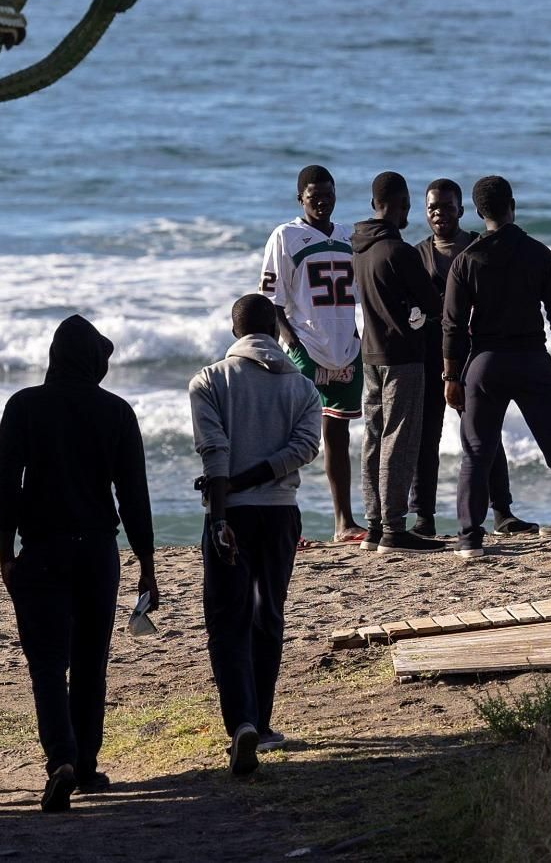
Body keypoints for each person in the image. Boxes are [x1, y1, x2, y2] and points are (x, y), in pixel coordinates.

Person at [0, 314, 159, 812]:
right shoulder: (117, 412)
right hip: (97, 552)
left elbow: (7, 487)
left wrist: (5, 553)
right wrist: (146, 563)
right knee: (91, 662)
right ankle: (85, 765)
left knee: (47, 664)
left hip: (41, 550)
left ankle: (61, 760)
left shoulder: (23, 406)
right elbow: (133, 496)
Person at [190, 294, 323, 776]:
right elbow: (304, 448)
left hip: (231, 515)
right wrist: (253, 479)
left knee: (228, 619)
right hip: (281, 515)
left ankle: (242, 723)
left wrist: (221, 510)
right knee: (268, 615)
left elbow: (214, 451)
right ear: (275, 331)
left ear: (235, 332)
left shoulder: (209, 381)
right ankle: (263, 725)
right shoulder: (304, 389)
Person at [442, 176, 551, 560]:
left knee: (477, 452)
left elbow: (452, 325)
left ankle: (470, 539)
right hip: (532, 361)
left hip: (484, 364)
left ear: (478, 212)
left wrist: (451, 376)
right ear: (512, 205)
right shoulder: (539, 254)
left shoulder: (466, 260)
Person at [409, 178, 532, 537]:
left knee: (484, 434)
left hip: (475, 357)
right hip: (432, 357)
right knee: (426, 437)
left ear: (461, 210)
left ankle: (502, 511)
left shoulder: (480, 247)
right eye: (432, 207)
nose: (439, 213)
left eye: (447, 207)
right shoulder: (418, 255)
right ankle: (423, 518)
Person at [260, 165, 364, 542]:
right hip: (306, 347)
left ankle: (344, 523)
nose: (322, 202)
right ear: (300, 199)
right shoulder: (285, 236)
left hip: (346, 348)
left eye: (328, 194)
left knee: (338, 435)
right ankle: (283, 526)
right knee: (291, 437)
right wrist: (292, 344)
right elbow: (271, 301)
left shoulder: (349, 236)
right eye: (314, 196)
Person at [350, 172, 447, 552]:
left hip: (371, 353)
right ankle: (394, 528)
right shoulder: (399, 251)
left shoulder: (360, 249)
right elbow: (434, 305)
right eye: (407, 205)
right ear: (399, 203)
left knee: (374, 438)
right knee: (399, 440)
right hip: (403, 356)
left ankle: (374, 524)